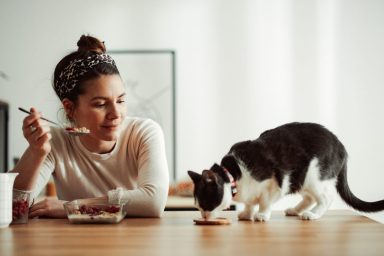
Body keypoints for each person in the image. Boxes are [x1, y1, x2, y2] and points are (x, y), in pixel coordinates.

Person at [10, 35, 169, 218]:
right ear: (69, 108)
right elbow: (14, 208)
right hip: (76, 244)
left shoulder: (143, 132)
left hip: (133, 243)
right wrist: (36, 153)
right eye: (100, 104)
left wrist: (75, 206)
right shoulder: (55, 142)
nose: (116, 113)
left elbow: (153, 202)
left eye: (121, 100)